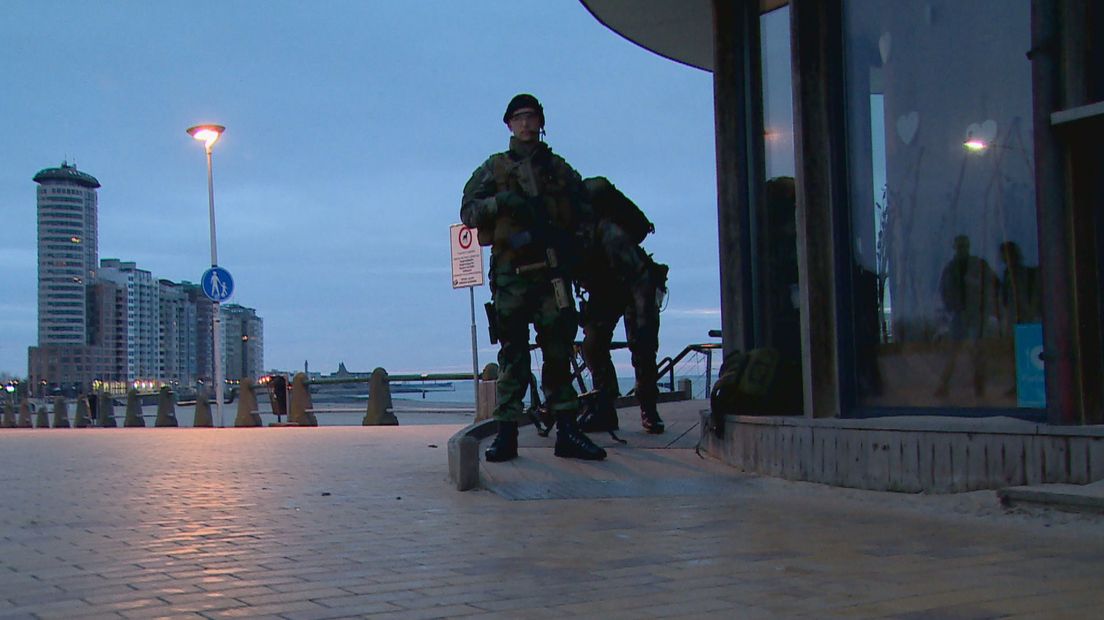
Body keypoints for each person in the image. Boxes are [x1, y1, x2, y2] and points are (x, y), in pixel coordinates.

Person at [460, 93, 606, 462]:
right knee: (513, 354)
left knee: (559, 350)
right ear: (508, 124)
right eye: (519, 118)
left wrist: (575, 248)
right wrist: (502, 203)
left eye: (532, 117)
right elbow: (469, 210)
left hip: (552, 273)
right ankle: (507, 433)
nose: (526, 124)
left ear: (542, 123)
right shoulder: (493, 169)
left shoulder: (559, 169)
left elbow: (586, 212)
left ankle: (568, 431)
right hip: (511, 275)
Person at [576, 177, 667, 434]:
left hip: (636, 282)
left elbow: (639, 277)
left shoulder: (608, 232)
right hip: (606, 287)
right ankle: (605, 407)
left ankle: (649, 408)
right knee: (593, 344)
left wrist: (643, 319)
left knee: (643, 345)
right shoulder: (568, 231)